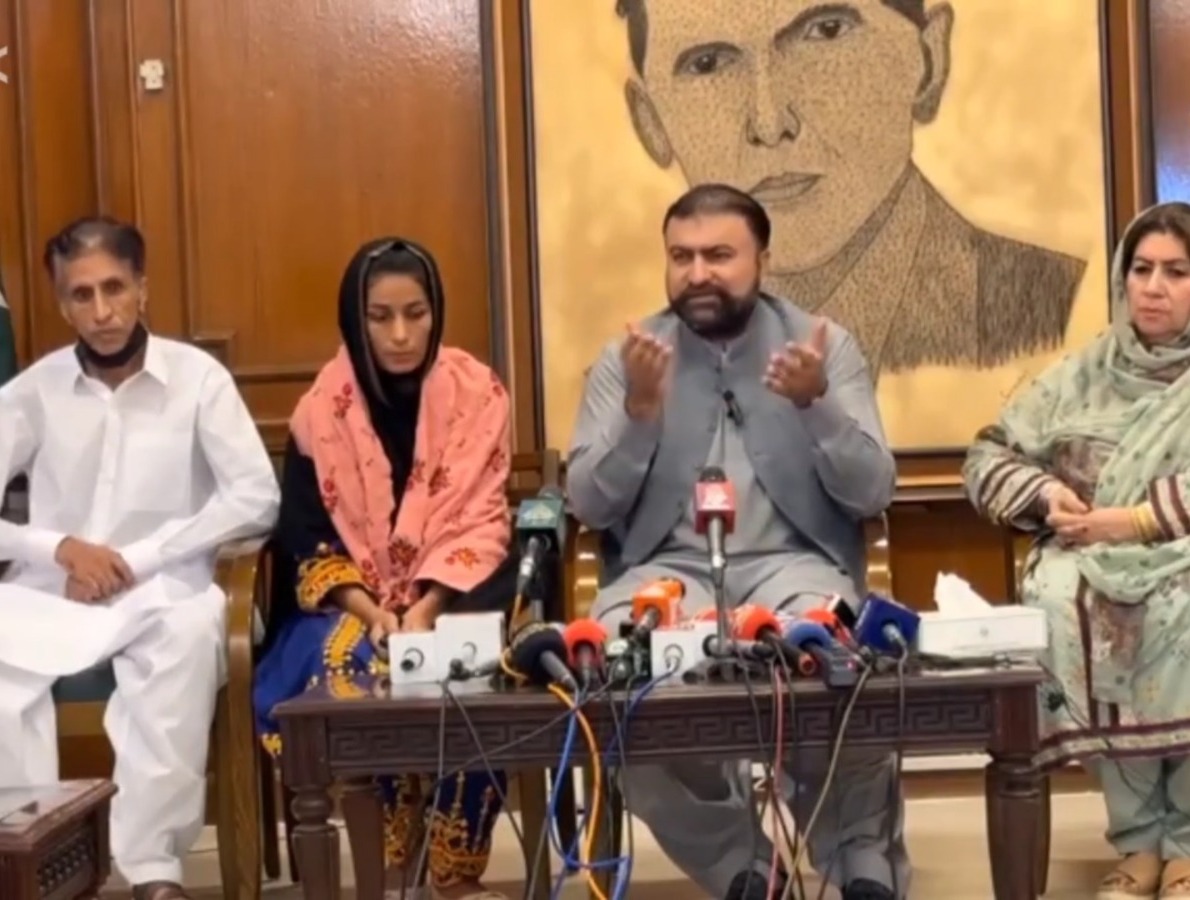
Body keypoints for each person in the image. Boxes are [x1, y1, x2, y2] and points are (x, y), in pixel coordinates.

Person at [568, 183, 907, 900]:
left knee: (843, 659)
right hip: (665, 572)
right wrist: (638, 411)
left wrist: (816, 405)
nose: (698, 273)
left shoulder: (821, 345)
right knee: (620, 682)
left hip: (795, 568)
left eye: (719, 255)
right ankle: (743, 868)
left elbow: (872, 493)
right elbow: (589, 504)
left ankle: (861, 866)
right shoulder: (629, 357)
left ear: (763, 260)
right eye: (681, 256)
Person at [0, 216, 280, 900]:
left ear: (142, 288)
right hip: (54, 594)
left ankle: (153, 870)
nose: (102, 312)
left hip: (165, 591)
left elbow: (256, 496)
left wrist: (140, 558)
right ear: (62, 304)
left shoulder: (198, 379)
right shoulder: (32, 392)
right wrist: (58, 548)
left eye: (114, 289)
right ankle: (30, 864)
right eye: (82, 295)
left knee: (185, 641)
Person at [614, 0, 1085, 376]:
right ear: (651, 123)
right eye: (708, 64)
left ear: (928, 60)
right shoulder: (637, 379)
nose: (770, 123)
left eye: (826, 31)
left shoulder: (1064, 317)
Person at [253, 238, 516, 900]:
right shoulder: (323, 410)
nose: (401, 334)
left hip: (455, 594)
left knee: (470, 668)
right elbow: (306, 536)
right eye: (380, 316)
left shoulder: (478, 394)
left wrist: (424, 609)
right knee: (353, 665)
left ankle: (455, 872)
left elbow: (483, 521)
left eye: (415, 314)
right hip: (347, 605)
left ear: (436, 313)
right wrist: (374, 612)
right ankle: (388, 868)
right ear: (356, 318)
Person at [963, 202, 1190, 900]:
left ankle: (1187, 843)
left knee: (1183, 607)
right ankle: (1139, 840)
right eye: (1141, 270)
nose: (1154, 288)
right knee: (1060, 596)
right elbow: (988, 455)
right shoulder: (1080, 373)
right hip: (1084, 553)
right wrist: (1045, 495)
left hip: (1178, 550)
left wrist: (1137, 522)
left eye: (1177, 272)